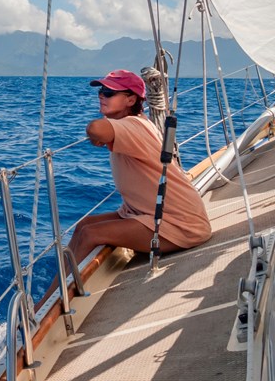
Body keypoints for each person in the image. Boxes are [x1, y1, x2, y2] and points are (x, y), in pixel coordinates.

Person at [67, 69, 212, 263]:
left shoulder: (133, 125)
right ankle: (57, 289)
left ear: (131, 100)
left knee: (90, 234)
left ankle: (61, 292)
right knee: (83, 225)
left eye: (109, 92)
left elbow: (95, 129)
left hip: (182, 224)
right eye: (101, 91)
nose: (102, 95)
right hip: (146, 213)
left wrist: (98, 135)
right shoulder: (134, 124)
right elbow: (101, 132)